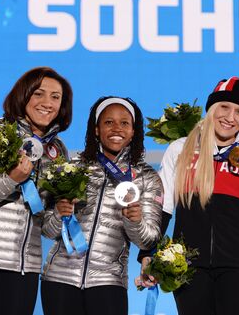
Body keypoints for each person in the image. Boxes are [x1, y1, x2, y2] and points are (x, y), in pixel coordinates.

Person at [136, 77, 239, 315]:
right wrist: (147, 253)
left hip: (238, 267)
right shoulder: (180, 149)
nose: (230, 117)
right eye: (224, 107)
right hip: (188, 267)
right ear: (211, 108)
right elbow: (164, 207)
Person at [0, 67, 73, 315]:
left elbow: (46, 227)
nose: (47, 103)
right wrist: (11, 180)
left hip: (24, 270)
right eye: (39, 94)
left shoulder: (58, 152)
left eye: (56, 97)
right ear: (23, 95)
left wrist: (62, 214)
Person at [40, 96, 163, 315]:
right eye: (109, 122)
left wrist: (134, 221)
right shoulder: (71, 169)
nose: (117, 128)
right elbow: (48, 230)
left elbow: (150, 238)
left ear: (134, 131)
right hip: (59, 279)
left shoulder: (147, 178)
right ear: (96, 129)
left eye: (124, 123)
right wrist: (59, 214)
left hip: (108, 282)